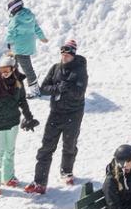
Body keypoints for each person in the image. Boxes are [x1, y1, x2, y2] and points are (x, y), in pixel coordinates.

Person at [28, 38, 87, 192]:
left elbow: (80, 93)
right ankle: (39, 182)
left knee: (69, 144)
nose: (64, 56)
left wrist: (68, 87)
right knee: (46, 147)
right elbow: (43, 88)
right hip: (56, 112)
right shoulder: (55, 68)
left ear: (73, 54)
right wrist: (58, 88)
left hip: (73, 113)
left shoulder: (80, 69)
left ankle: (66, 171)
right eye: (62, 53)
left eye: (67, 53)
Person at [0, 56, 37, 195]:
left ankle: (8, 177)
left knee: (10, 151)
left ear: (13, 69)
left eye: (7, 69)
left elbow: (22, 101)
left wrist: (29, 117)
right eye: (2, 69)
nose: (4, 72)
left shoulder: (18, 83)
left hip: (13, 123)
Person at [6, 0, 48, 83]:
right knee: (13, 63)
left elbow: (11, 32)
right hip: (28, 46)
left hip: (18, 47)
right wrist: (42, 37)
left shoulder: (15, 19)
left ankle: (34, 89)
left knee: (26, 68)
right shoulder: (30, 15)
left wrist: (9, 42)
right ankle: (12, 82)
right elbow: (36, 28)